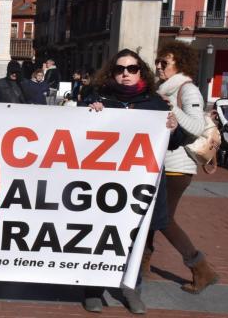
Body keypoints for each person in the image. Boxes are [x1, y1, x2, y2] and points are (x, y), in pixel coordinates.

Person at [81, 48, 180, 314]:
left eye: (132, 69)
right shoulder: (99, 98)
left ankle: (132, 288)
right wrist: (88, 112)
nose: (126, 73)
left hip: (140, 188)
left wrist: (173, 126)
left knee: (137, 238)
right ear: (112, 72)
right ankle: (92, 289)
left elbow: (176, 142)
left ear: (141, 71)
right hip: (103, 186)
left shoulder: (155, 104)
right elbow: (75, 130)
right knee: (99, 236)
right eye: (120, 69)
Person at [146, 40, 219, 294]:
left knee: (163, 219)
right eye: (157, 61)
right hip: (161, 163)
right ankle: (141, 268)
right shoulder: (163, 88)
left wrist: (171, 105)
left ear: (179, 62)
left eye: (164, 62)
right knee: (150, 217)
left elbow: (198, 127)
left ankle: (201, 268)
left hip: (178, 165)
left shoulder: (187, 90)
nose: (158, 66)